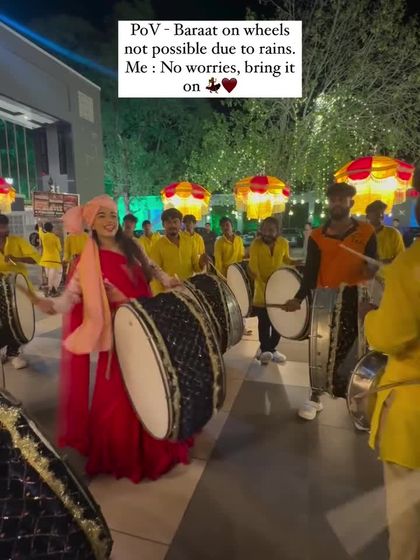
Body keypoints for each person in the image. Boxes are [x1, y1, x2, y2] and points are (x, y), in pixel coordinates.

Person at [35, 195, 189, 483]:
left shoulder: (132, 245)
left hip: (146, 324)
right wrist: (51, 304)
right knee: (120, 394)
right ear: (91, 223)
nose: (109, 221)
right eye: (102, 216)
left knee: (152, 385)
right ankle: (124, 452)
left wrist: (169, 280)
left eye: (112, 215)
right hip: (118, 335)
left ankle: (157, 435)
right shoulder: (86, 260)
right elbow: (70, 297)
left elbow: (153, 268)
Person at [282, 182, 377, 421]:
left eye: (341, 199)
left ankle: (355, 401)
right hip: (326, 299)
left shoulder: (366, 232)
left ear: (351, 203)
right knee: (320, 349)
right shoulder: (317, 236)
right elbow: (310, 272)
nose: (337, 203)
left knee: (356, 350)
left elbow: (371, 266)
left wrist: (371, 270)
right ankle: (316, 396)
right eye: (333, 199)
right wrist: (298, 298)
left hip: (357, 300)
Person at [361, 195, 420, 560]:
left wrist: (369, 315)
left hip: (413, 417)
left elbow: (388, 337)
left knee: (407, 523)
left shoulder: (411, 265)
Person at [249, 217, 296, 365]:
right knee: (264, 322)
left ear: (278, 231)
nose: (267, 233)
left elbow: (286, 259)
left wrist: (295, 262)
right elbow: (253, 266)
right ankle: (265, 350)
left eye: (271, 230)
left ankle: (272, 349)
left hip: (278, 291)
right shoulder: (256, 244)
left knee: (278, 323)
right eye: (264, 229)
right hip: (261, 292)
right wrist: (260, 279)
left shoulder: (283, 243)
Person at [0, 213, 40, 369]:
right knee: (4, 323)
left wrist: (16, 259)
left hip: (19, 291)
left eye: (5, 226)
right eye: (1, 227)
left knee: (18, 322)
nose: (3, 230)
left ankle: (13, 353)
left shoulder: (17, 241)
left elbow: (36, 259)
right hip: (1, 292)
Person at [150, 208, 208, 294]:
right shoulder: (157, 247)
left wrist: (201, 263)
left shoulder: (190, 242)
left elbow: (196, 267)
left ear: (180, 224)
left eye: (175, 222)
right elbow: (155, 276)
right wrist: (159, 297)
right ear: (163, 224)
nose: (172, 225)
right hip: (170, 294)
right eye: (168, 222)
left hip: (189, 291)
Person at [39, 222, 63, 297]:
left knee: (49, 276)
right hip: (54, 260)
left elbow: (40, 231)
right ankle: (52, 290)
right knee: (56, 276)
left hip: (45, 260)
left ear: (45, 229)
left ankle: (50, 290)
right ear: (52, 229)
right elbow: (59, 249)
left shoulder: (43, 236)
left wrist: (40, 227)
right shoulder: (56, 238)